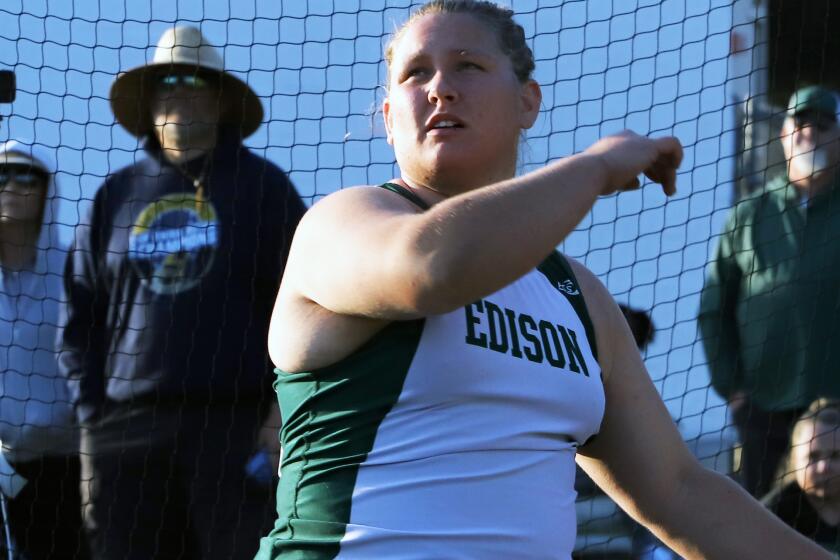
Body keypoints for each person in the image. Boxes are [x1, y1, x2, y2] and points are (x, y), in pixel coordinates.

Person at [256, 1, 829, 558]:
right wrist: (595, 167)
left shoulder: (575, 294)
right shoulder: (342, 222)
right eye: (415, 73)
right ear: (387, 119)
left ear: (528, 102)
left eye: (468, 65)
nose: (439, 88)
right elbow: (430, 269)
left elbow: (680, 492)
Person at [57, 26, 306, 560]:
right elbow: (80, 318)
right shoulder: (113, 196)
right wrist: (93, 422)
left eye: (192, 79)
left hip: (235, 431)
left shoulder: (264, 189)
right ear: (147, 103)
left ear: (219, 98)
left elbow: (307, 304)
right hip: (125, 437)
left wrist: (278, 416)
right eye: (165, 81)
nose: (177, 89)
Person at [699, 85, 840, 498]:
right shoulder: (748, 215)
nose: (810, 133)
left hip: (837, 403)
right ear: (783, 135)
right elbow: (714, 307)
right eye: (801, 124)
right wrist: (733, 387)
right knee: (761, 518)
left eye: (823, 124)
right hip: (764, 406)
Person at [0, 141, 88, 559]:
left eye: (26, 176)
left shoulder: (74, 273)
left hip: (69, 464)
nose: (13, 185)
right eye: (2, 175)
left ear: (46, 189)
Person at [763, 398, 840, 554]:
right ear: (794, 459)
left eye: (836, 456)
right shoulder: (771, 516)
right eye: (813, 456)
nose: (824, 467)